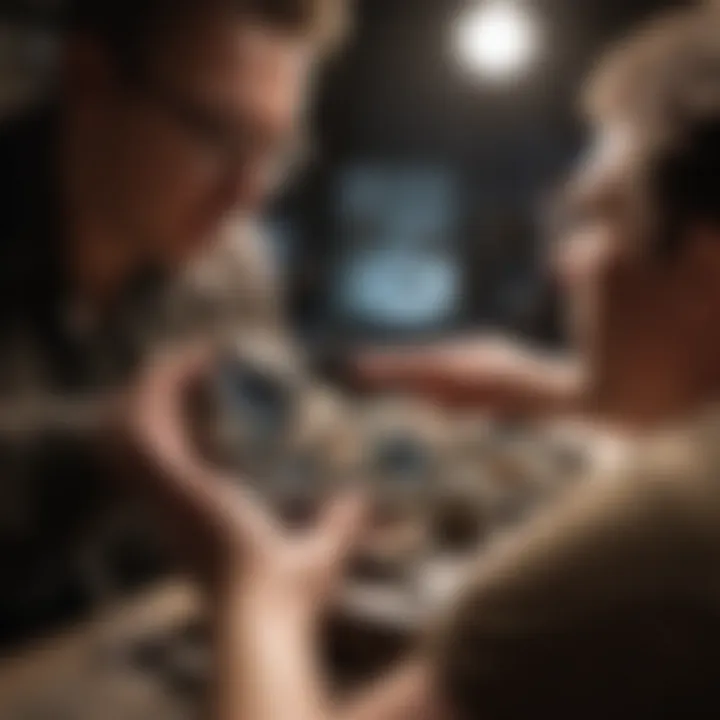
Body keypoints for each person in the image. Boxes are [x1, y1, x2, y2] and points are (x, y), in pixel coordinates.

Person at [119, 5, 720, 719]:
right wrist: (561, 392)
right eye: (215, 134)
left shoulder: (663, 534)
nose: (567, 264)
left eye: (602, 218)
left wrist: (258, 594)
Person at [0, 0, 344, 648]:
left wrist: (342, 463)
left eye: (276, 150)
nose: (247, 194)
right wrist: (111, 444)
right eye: (219, 136)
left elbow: (282, 457)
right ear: (89, 78)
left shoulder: (233, 263)